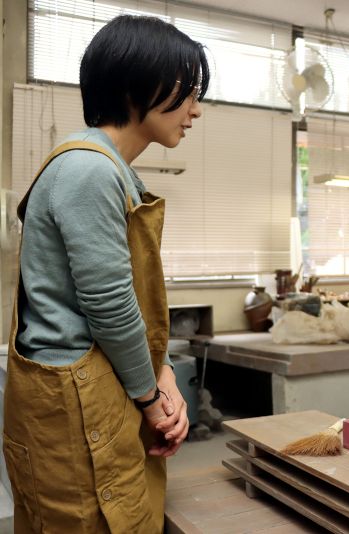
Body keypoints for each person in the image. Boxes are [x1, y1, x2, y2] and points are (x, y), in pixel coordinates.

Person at [3, 15, 208, 532]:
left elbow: (113, 299)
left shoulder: (113, 170)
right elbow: (109, 303)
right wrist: (151, 399)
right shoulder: (90, 169)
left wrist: (159, 375)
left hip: (97, 384)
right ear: (137, 84)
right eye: (188, 92)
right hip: (75, 398)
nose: (195, 110)